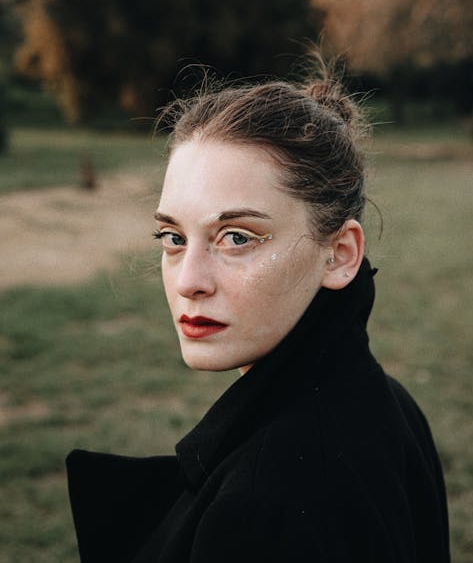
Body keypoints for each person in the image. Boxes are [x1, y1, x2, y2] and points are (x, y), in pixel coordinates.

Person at [66, 66, 450, 563]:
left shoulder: (263, 511)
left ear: (339, 254)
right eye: (174, 238)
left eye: (237, 237)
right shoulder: (388, 401)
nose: (188, 281)